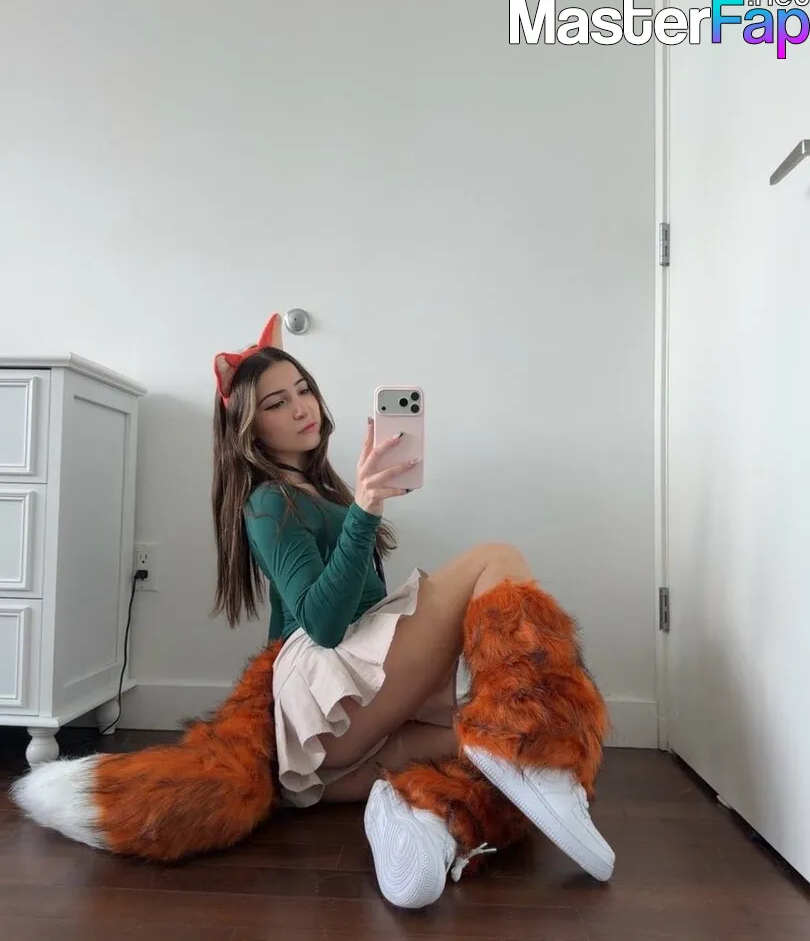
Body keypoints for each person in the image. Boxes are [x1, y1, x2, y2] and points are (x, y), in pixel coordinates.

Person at [10, 313, 616, 911]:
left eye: (303, 390)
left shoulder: (322, 492)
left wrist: (361, 507)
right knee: (495, 560)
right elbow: (323, 626)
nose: (302, 408)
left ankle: (416, 824)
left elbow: (361, 612)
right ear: (249, 430)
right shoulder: (268, 503)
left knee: (482, 747)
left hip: (337, 744)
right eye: (277, 403)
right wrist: (368, 510)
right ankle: (542, 757)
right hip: (320, 692)